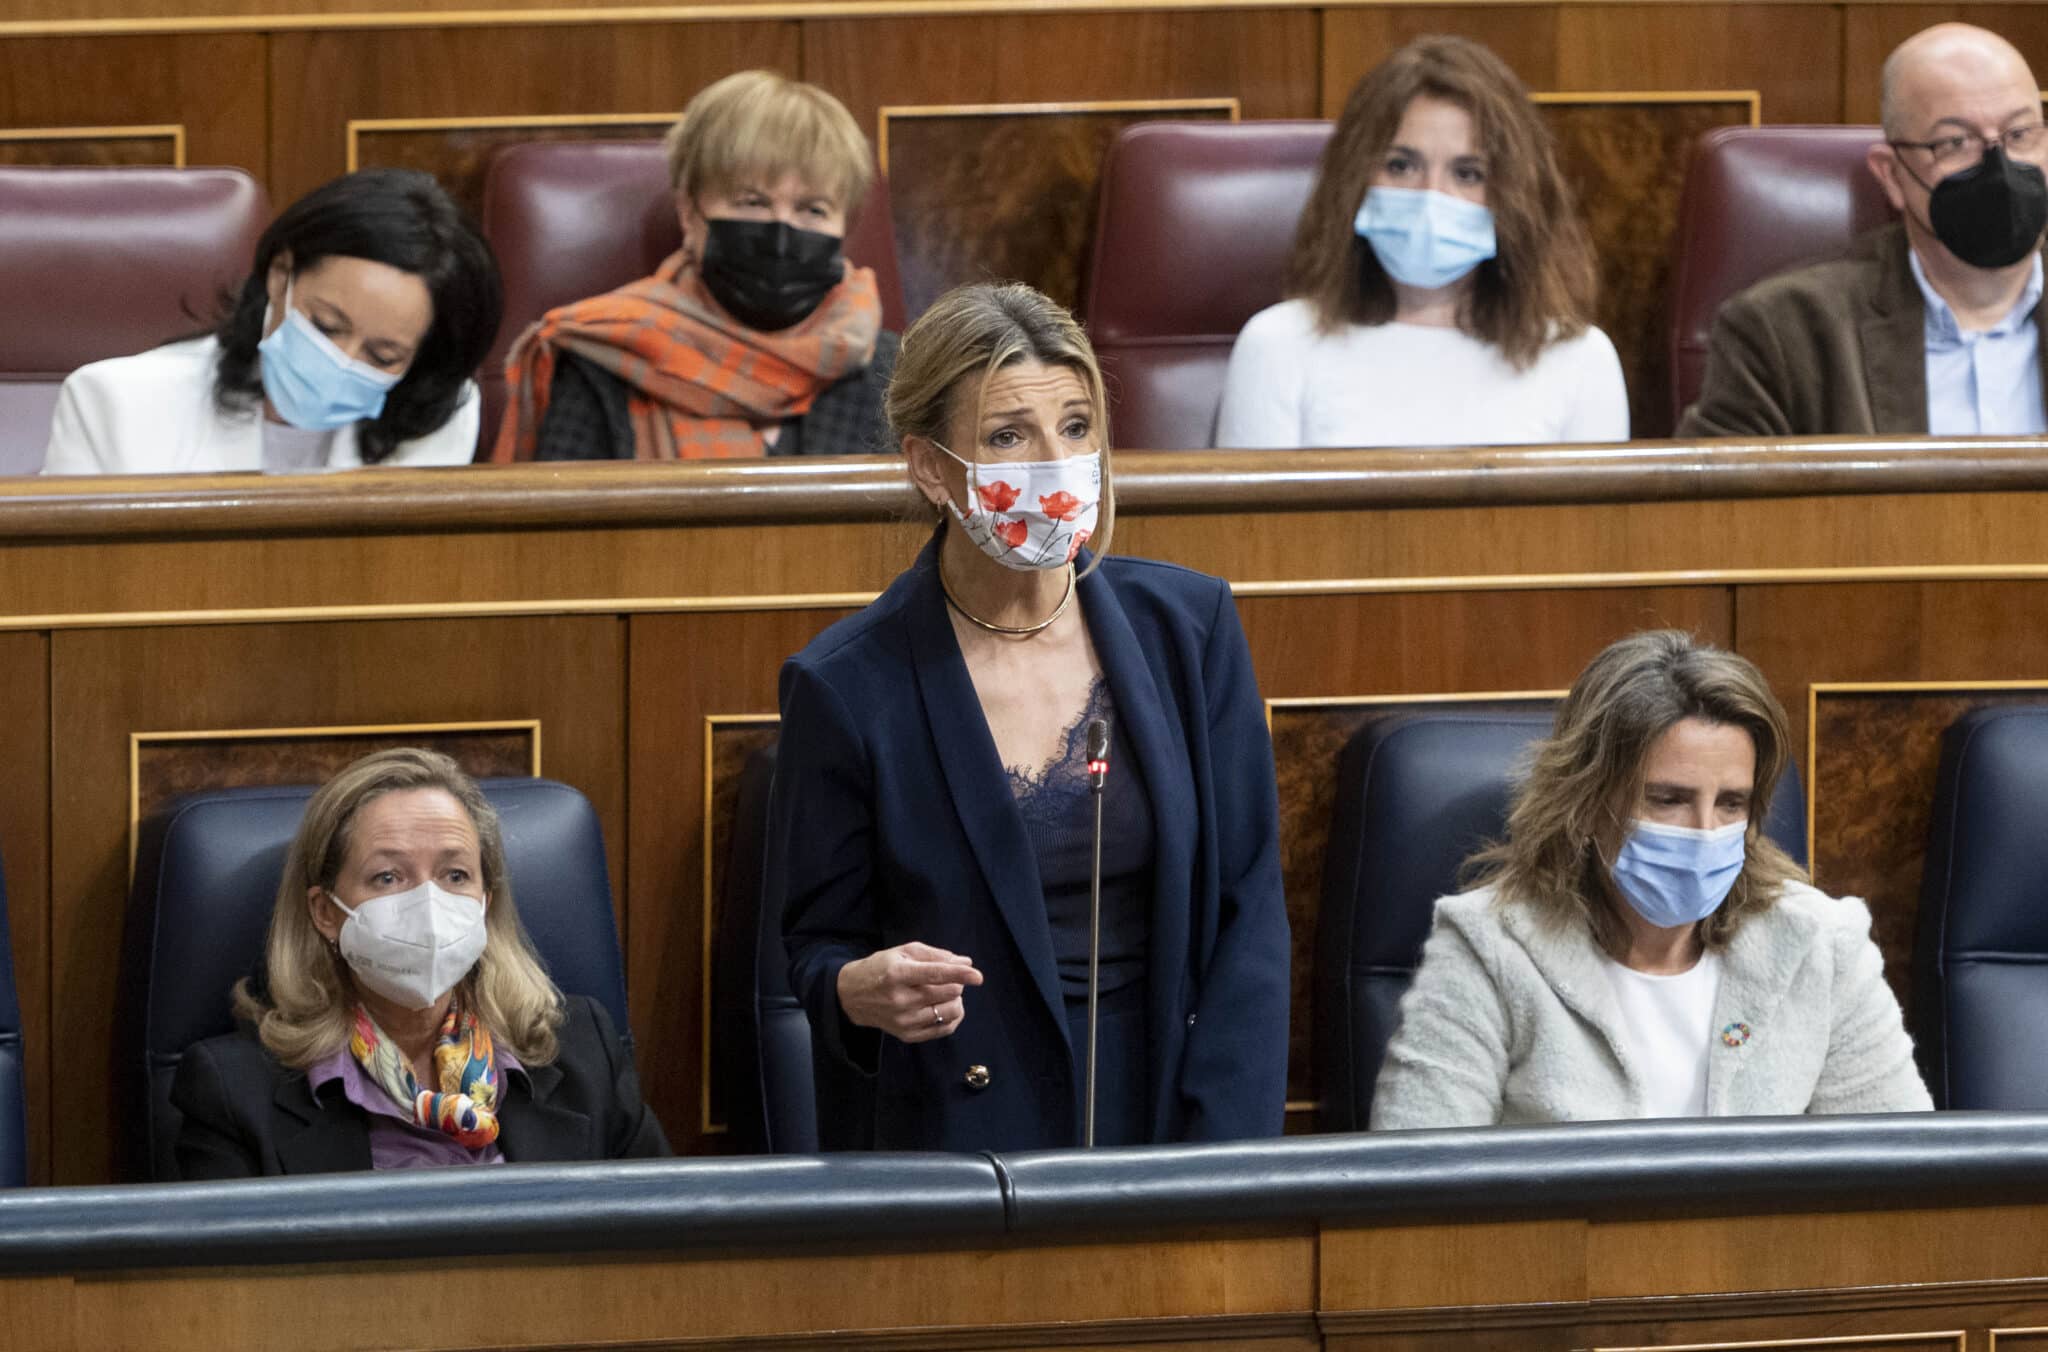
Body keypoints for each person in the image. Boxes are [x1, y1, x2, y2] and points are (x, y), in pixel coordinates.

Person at [772, 282, 1289, 1152]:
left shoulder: (1189, 629)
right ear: (932, 467)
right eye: (1009, 435)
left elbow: (1249, 916)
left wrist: (1227, 1151)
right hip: (964, 1133)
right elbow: (814, 950)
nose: (1054, 463)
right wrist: (855, 990)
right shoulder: (846, 686)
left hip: (1171, 1114)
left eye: (1077, 428)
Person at [1372, 630, 1932, 1129]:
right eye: (1668, 799)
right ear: (1588, 804)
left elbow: (1901, 1178)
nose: (1704, 830)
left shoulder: (1822, 945)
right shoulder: (1489, 949)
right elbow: (1415, 1190)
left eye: (1731, 803)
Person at [172, 748, 667, 1176]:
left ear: (484, 903)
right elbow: (223, 1286)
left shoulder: (583, 1050)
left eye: (455, 874)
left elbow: (666, 1240)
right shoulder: (233, 1092)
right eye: (388, 877)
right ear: (325, 912)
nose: (429, 905)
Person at [1215, 35, 1626, 450]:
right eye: (1401, 166)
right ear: (1353, 179)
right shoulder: (1278, 346)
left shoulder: (1580, 360)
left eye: (1467, 174)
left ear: (1515, 197)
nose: (1432, 197)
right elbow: (1250, 520)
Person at [493, 70, 898, 461]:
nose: (781, 234)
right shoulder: (602, 360)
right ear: (689, 213)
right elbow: (560, 525)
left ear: (846, 223)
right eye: (751, 202)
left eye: (813, 209)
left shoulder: (894, 376)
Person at [1681, 24, 2048, 437]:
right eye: (1954, 142)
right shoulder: (1785, 333)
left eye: (2019, 134)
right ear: (1891, 175)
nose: (1998, 167)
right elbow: (1718, 502)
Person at [43, 169, 499, 475]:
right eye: (325, 326)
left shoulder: (436, 414)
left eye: (383, 355)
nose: (342, 361)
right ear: (282, 276)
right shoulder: (114, 403)